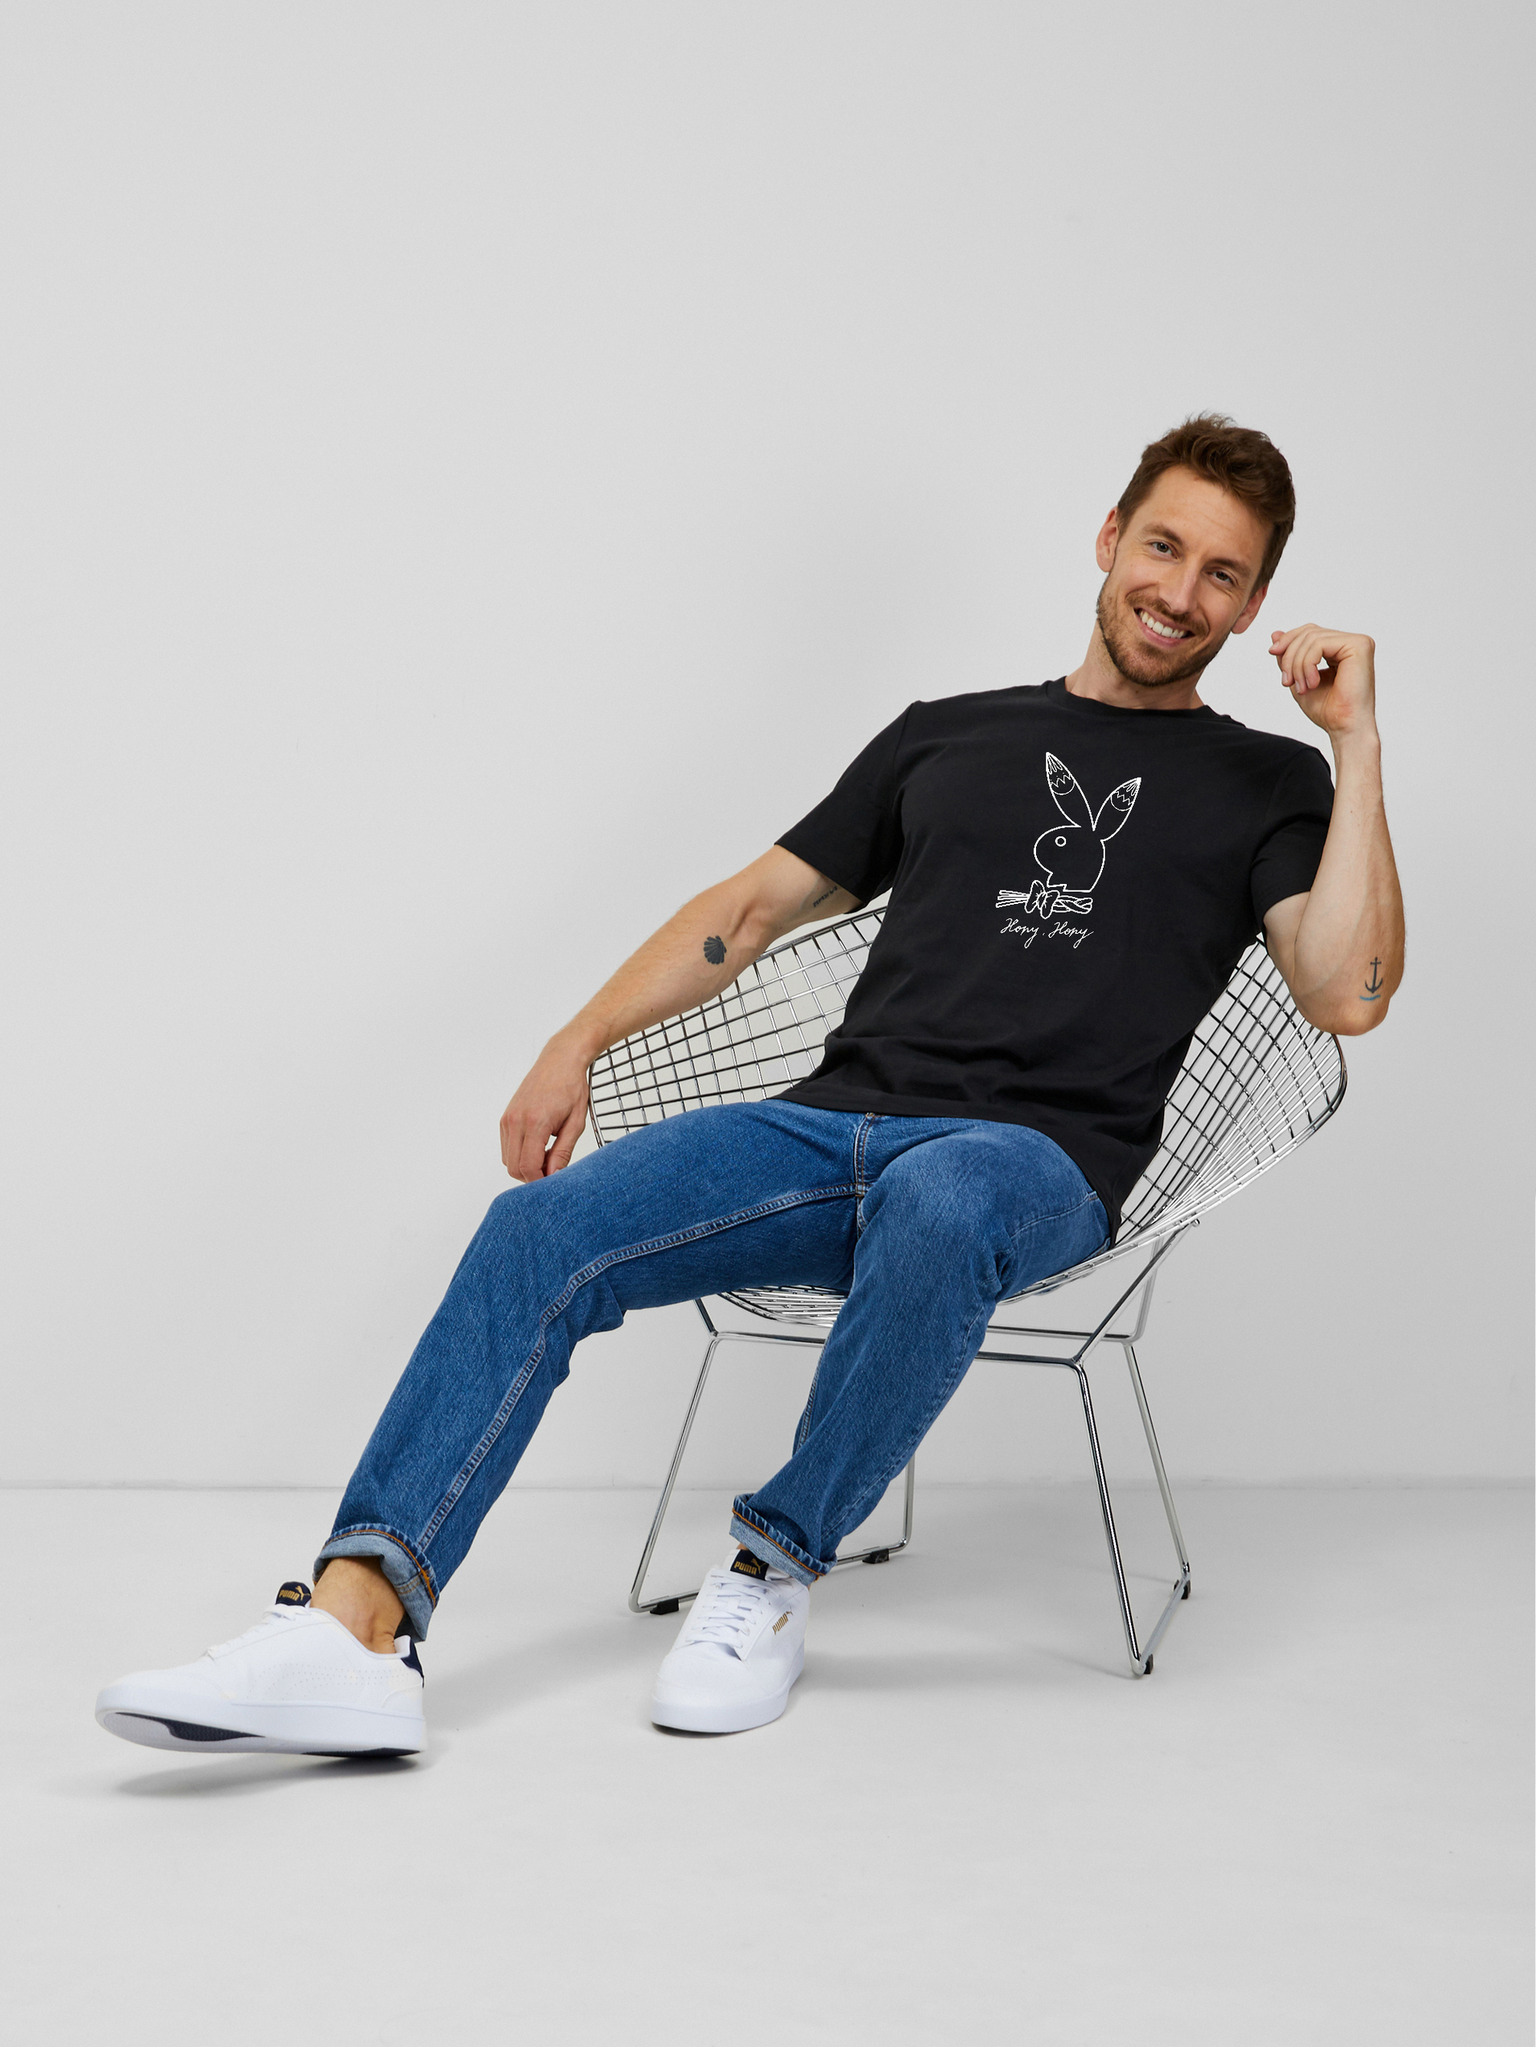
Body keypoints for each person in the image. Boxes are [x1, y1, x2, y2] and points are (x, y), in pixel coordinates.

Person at [96, 414, 1404, 1755]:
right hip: (827, 1132)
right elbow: (751, 909)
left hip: (1033, 1165)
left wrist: (1355, 744)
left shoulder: (1264, 782)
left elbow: (1347, 994)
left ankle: (770, 1572)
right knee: (539, 1230)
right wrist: (576, 1039)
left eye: (1223, 574)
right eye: (1164, 547)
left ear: (1253, 605)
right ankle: (353, 1632)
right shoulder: (946, 737)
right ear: (1110, 537)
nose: (1180, 593)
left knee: (947, 1198)